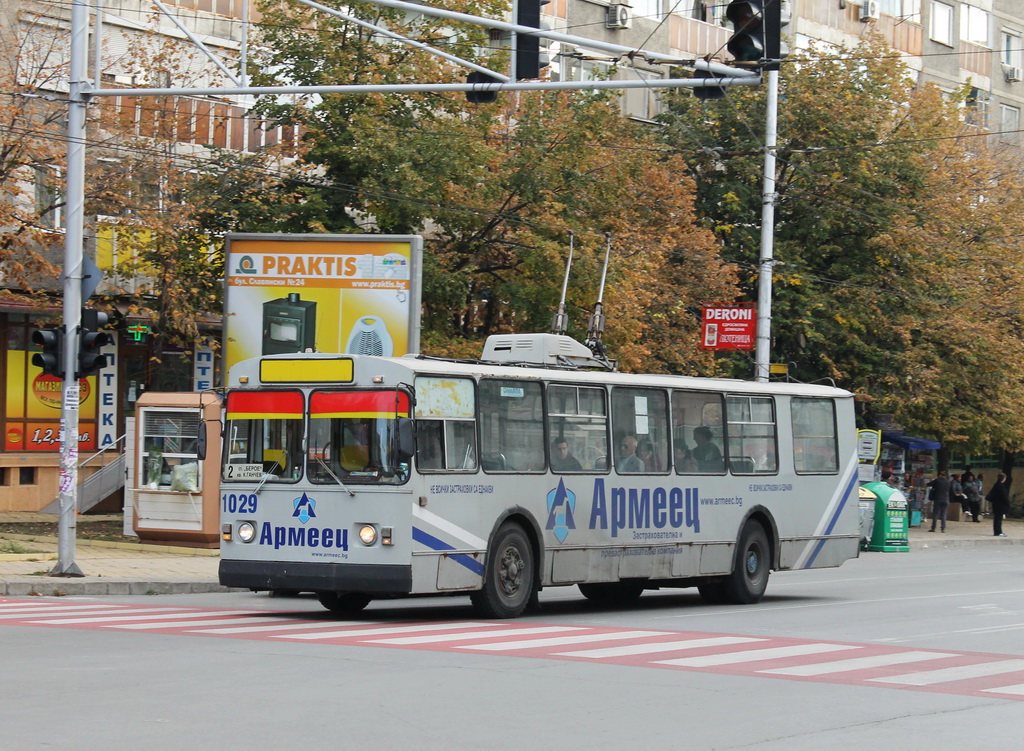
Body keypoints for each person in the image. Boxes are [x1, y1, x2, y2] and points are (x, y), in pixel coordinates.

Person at [986, 472, 1011, 537]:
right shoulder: (1001, 486)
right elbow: (1004, 496)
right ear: (1003, 479)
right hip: (1000, 505)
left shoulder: (996, 485)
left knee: (997, 518)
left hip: (996, 504)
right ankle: (998, 532)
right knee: (998, 519)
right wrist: (1007, 503)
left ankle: (997, 531)